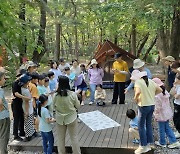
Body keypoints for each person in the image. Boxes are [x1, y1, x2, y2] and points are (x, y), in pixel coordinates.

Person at [132, 71, 162, 154]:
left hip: (143, 106)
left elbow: (137, 92)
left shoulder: (138, 82)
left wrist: (135, 99)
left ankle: (142, 146)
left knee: (141, 125)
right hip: (151, 105)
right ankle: (148, 144)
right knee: (148, 124)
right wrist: (152, 95)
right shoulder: (151, 81)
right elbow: (160, 89)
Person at [53, 76, 81, 154]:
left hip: (59, 119)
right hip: (71, 117)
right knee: (74, 138)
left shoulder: (56, 95)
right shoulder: (72, 94)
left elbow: (52, 107)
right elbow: (78, 106)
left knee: (60, 138)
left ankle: (61, 152)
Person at [152, 78, 180, 148]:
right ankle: (174, 141)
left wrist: (155, 115)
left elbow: (157, 108)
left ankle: (162, 142)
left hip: (161, 115)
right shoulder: (165, 92)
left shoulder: (157, 96)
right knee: (167, 128)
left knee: (161, 129)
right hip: (167, 113)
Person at [11, 69, 28, 141]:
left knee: (22, 117)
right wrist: (25, 97)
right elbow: (16, 93)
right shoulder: (15, 83)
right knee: (16, 119)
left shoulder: (22, 82)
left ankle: (22, 131)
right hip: (16, 103)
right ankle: (15, 134)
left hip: (21, 102)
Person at [19, 74, 36, 142]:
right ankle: (28, 135)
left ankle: (30, 135)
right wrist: (26, 112)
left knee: (29, 122)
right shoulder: (25, 91)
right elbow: (26, 102)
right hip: (28, 108)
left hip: (29, 107)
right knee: (28, 123)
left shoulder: (23, 89)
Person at [0, 71, 10, 154]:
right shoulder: (0, 90)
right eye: (4, 78)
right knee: (4, 137)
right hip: (3, 117)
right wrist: (2, 109)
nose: (5, 80)